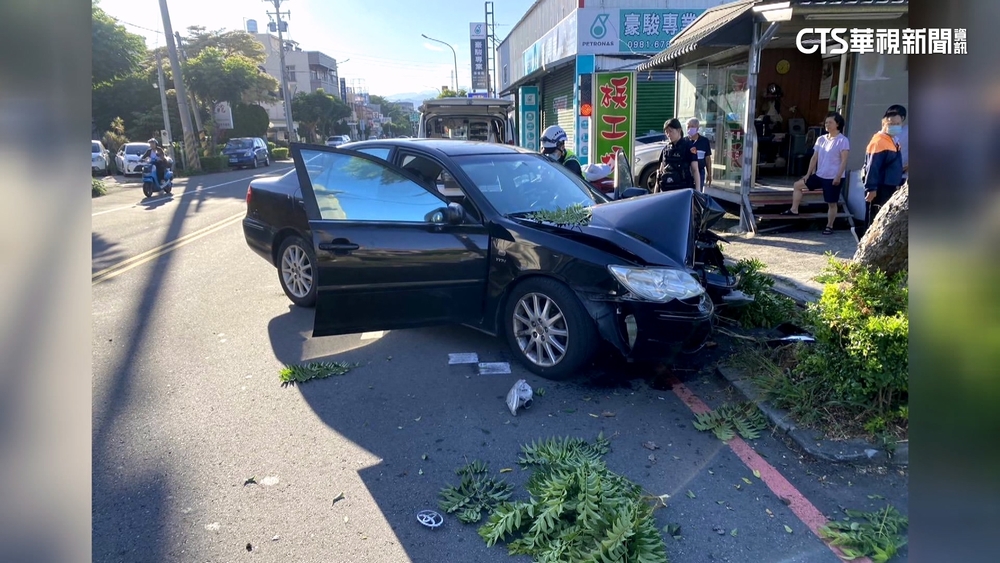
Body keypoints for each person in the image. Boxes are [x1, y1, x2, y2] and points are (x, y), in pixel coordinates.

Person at [782, 112, 849, 235]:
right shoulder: (821, 139)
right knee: (798, 185)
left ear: (837, 124)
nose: (827, 125)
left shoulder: (842, 140)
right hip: (819, 174)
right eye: (826, 122)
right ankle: (794, 209)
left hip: (833, 176)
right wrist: (808, 174)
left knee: (831, 203)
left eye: (830, 122)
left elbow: (844, 160)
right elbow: (814, 158)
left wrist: (838, 176)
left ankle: (829, 226)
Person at [863, 109, 905, 211]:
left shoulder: (893, 140)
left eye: (898, 124)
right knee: (875, 218)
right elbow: (872, 166)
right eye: (891, 124)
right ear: (883, 124)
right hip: (880, 188)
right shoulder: (879, 141)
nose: (895, 126)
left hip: (889, 186)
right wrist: (871, 188)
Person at [654, 118, 700, 192]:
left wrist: (698, 191)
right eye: (666, 132)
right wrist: (656, 192)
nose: (668, 134)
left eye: (670, 131)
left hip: (682, 190)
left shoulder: (689, 147)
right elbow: (660, 172)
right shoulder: (666, 149)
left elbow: (695, 170)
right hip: (666, 190)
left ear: (679, 130)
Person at [686, 117, 712, 191]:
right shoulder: (684, 141)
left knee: (698, 192)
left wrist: (709, 174)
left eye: (692, 126)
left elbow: (707, 159)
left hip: (700, 171)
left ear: (697, 128)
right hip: (687, 171)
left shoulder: (704, 141)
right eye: (688, 126)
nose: (690, 128)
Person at [884, 104, 908, 185]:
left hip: (902, 177)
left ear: (902, 118)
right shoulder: (886, 133)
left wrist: (903, 168)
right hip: (886, 177)